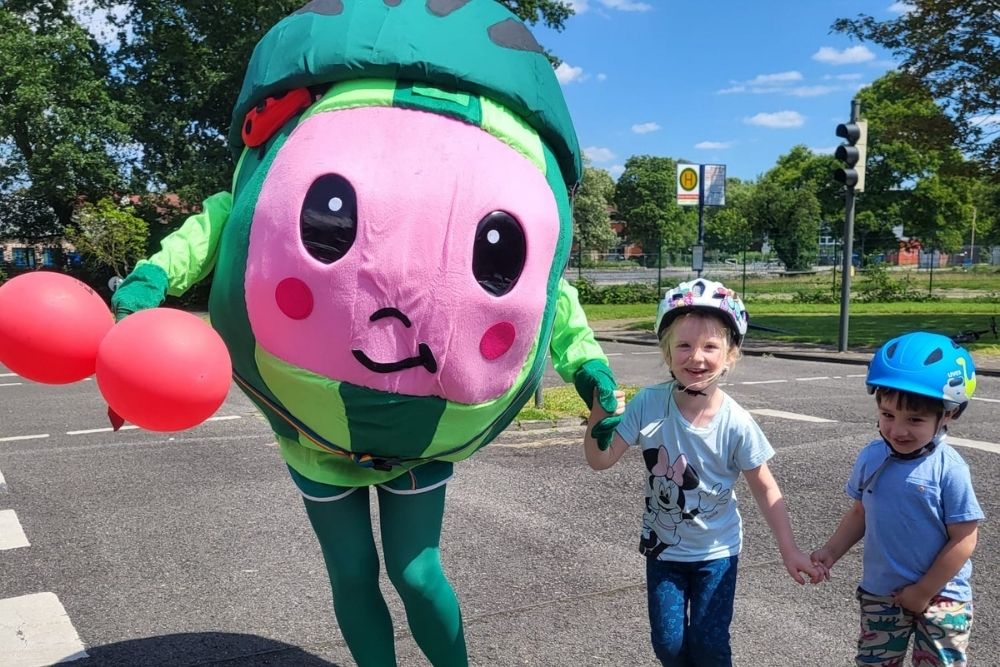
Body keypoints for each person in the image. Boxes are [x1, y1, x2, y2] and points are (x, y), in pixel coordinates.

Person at [108, 3, 620, 666]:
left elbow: (546, 292)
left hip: (420, 430)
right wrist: (146, 290)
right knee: (351, 571)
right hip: (314, 435)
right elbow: (223, 222)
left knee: (417, 571)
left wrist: (591, 373)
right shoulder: (315, 105)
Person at [583, 278, 820, 666]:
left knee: (709, 646)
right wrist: (599, 415)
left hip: (717, 552)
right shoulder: (648, 404)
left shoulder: (736, 422)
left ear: (730, 355)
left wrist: (789, 549)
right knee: (669, 645)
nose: (697, 357)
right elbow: (601, 460)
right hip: (664, 551)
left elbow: (765, 487)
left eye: (710, 346)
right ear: (667, 351)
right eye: (684, 345)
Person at [811, 331, 984, 667]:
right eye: (888, 415)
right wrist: (830, 552)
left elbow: (965, 538)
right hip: (881, 592)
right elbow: (860, 512)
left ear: (948, 414)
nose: (898, 430)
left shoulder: (950, 469)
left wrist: (923, 591)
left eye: (915, 419)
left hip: (942, 595)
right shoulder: (871, 457)